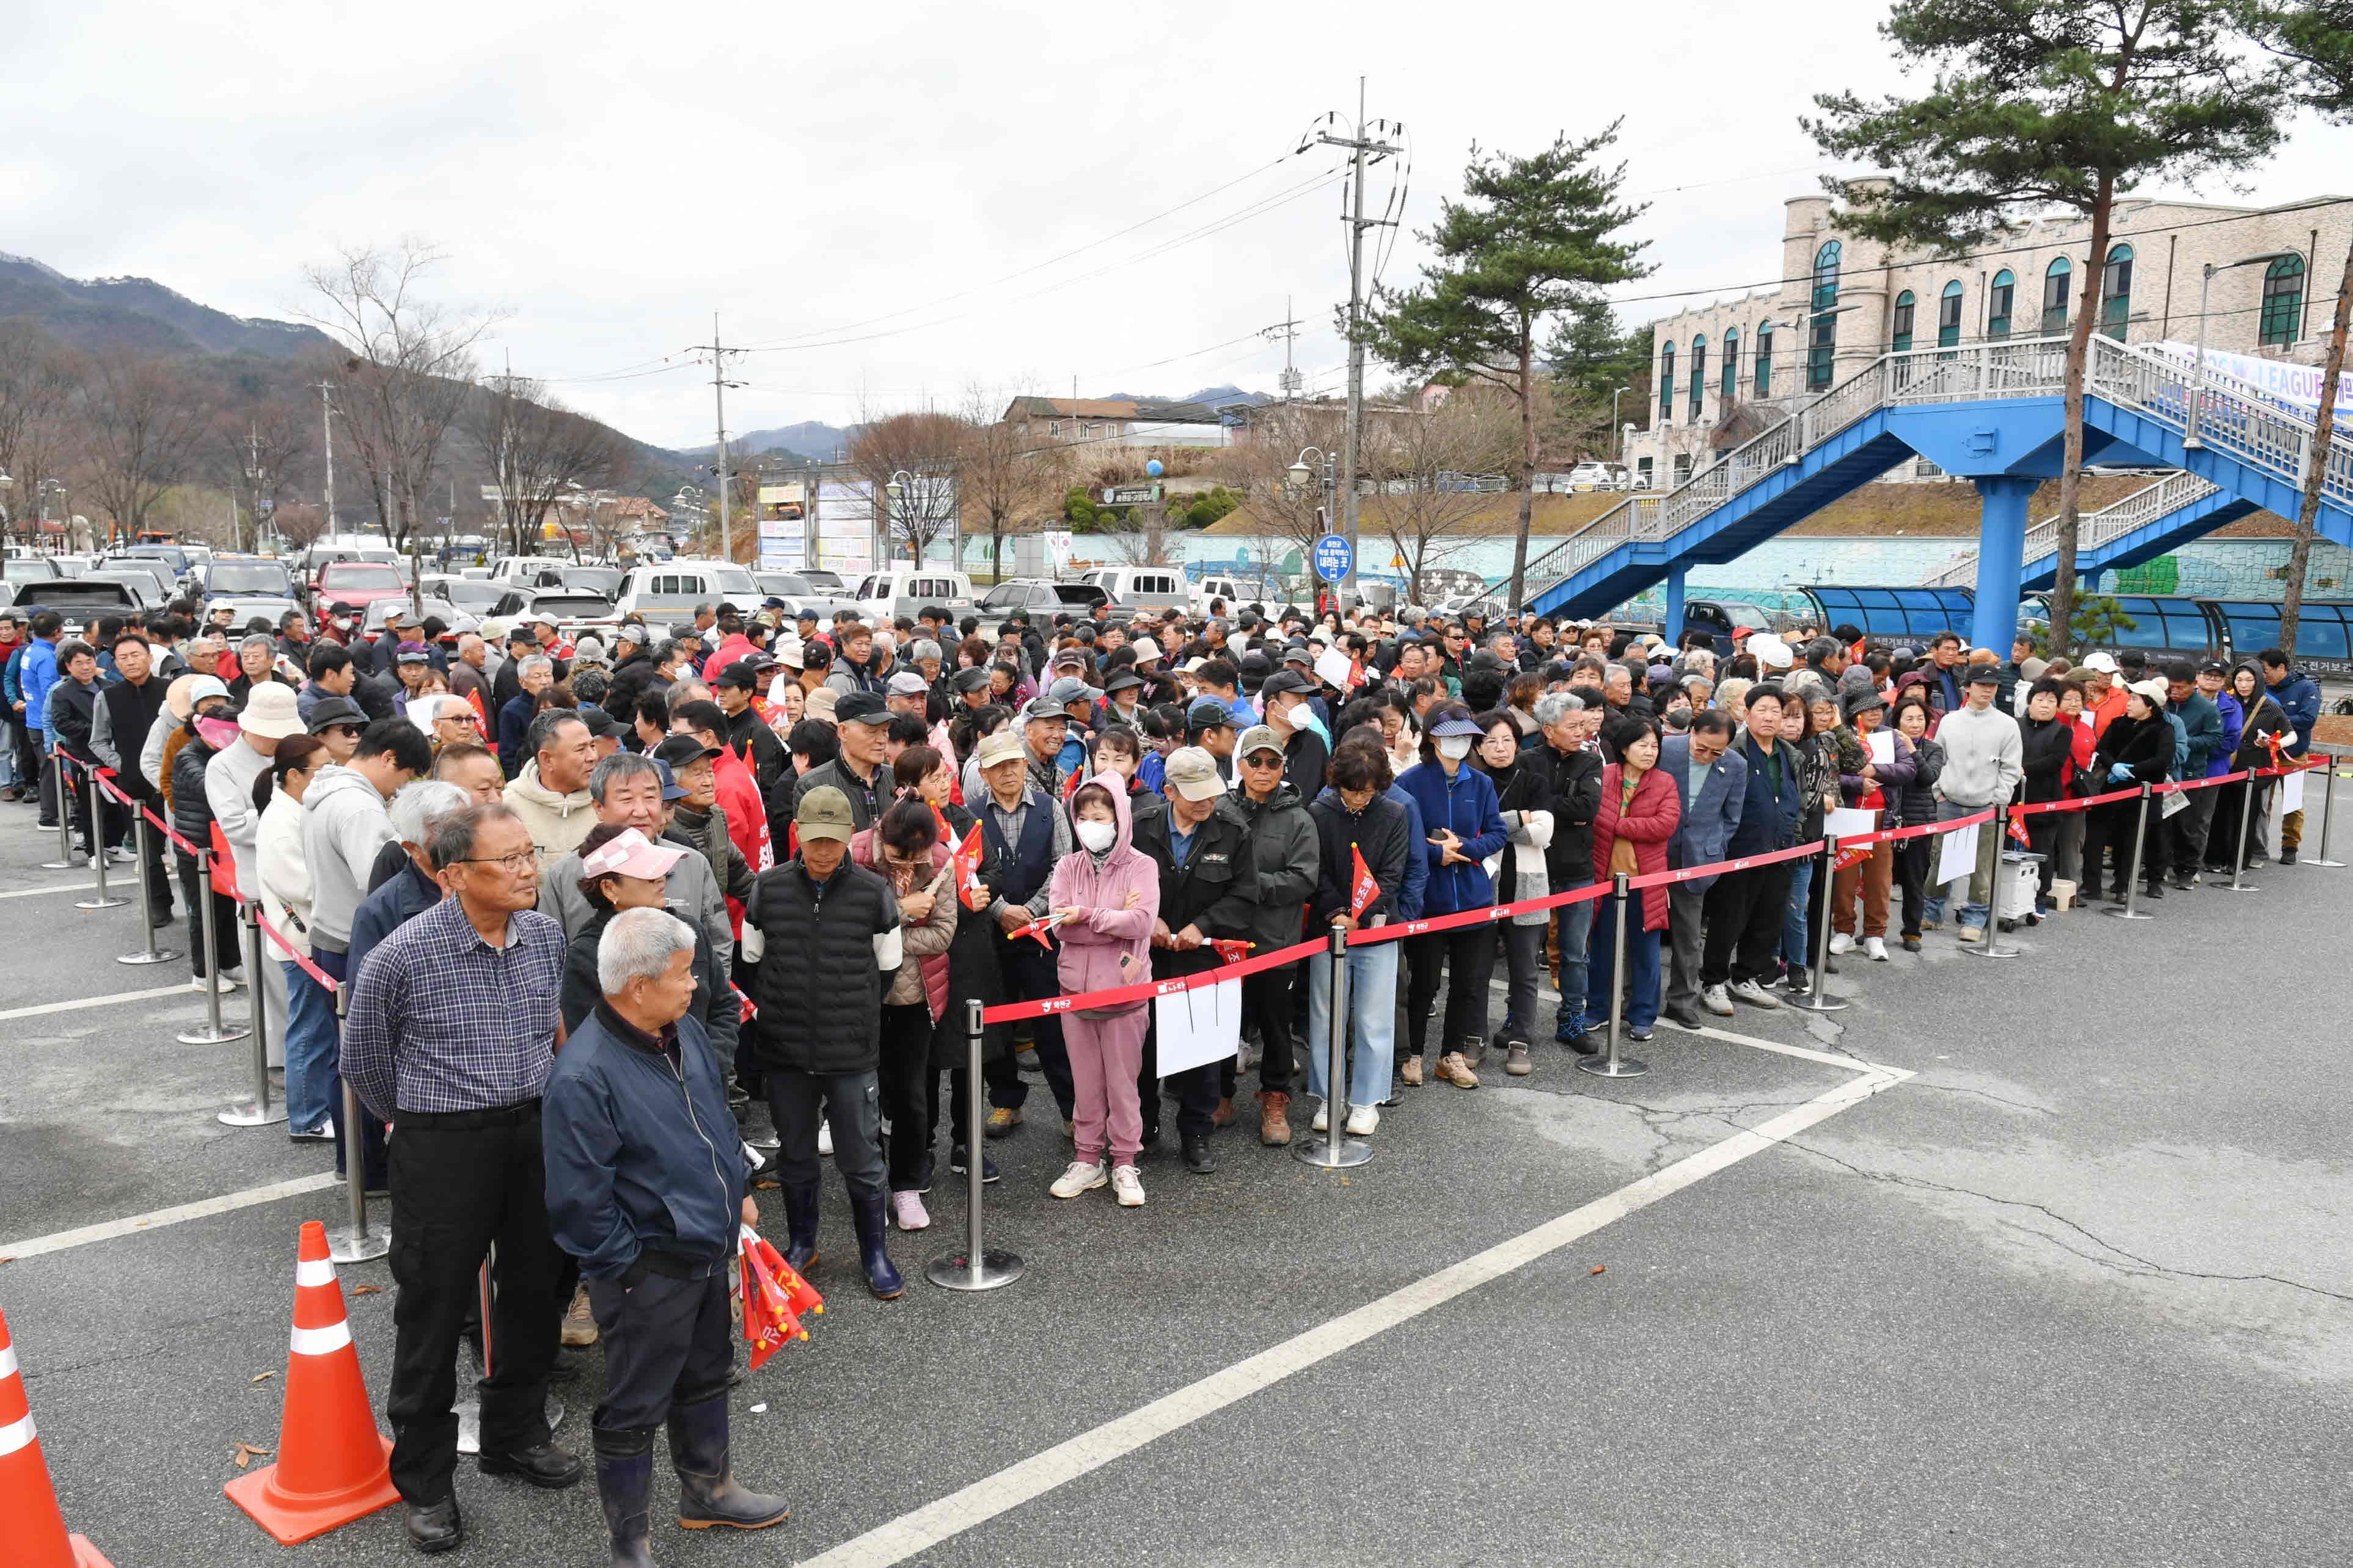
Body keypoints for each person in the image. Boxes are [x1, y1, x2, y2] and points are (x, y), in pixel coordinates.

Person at [340, 803, 580, 1553]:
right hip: (443, 1140)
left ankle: (515, 1431)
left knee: (539, 1287)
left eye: (527, 854)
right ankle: (426, 1477)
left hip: (534, 1127)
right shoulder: (402, 954)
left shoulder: (544, 935)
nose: (524, 870)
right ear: (451, 875)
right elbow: (367, 1065)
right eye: (503, 860)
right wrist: (426, 1120)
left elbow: (555, 1029)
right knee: (434, 1306)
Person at [541, 906, 788, 1566]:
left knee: (707, 1372)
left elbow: (714, 1118)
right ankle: (630, 1543)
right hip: (647, 1269)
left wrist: (735, 1189)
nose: (695, 987)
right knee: (633, 1403)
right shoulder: (584, 1074)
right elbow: (578, 1202)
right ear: (637, 986)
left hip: (705, 1249)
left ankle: (708, 1489)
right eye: (681, 975)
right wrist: (627, 1268)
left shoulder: (680, 1034)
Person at [742, 786, 905, 1299]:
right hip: (785, 1048)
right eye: (815, 841)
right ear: (799, 836)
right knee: (795, 1155)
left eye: (834, 842)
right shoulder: (766, 890)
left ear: (846, 839)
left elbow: (888, 969)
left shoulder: (873, 891)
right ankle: (801, 1243)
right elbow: (750, 964)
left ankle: (874, 1253)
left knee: (861, 1159)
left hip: (850, 1050)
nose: (824, 852)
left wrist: (850, 1013)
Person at [1043, 779, 1160, 1205]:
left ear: (1120, 818)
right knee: (1086, 1081)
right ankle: (1087, 1159)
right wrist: (1113, 919)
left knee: (1123, 1083)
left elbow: (1143, 923)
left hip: (1125, 991)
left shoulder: (1141, 865)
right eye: (1084, 817)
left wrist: (1089, 916)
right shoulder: (1067, 866)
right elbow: (1059, 927)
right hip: (1075, 989)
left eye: (1101, 817)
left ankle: (1126, 1162)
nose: (1091, 825)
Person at [1143, 746, 1261, 1172]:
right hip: (1148, 959)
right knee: (1143, 1049)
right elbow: (1117, 884)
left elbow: (1246, 896)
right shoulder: (1141, 828)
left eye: (1210, 792)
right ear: (1169, 790)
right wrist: (1147, 918)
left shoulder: (1232, 832)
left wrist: (1205, 925)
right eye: (1193, 793)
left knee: (1202, 1055)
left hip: (1204, 959)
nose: (1204, 802)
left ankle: (1195, 1134)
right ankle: (1143, 1129)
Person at [850, 798, 956, 1232]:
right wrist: (900, 914)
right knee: (863, 1093)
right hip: (861, 993)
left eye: (919, 856)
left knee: (913, 1095)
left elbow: (943, 933)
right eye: (899, 856)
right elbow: (845, 925)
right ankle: (869, 1179)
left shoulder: (942, 860)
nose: (910, 863)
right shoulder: (855, 853)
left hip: (916, 996)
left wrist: (889, 935)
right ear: (881, 838)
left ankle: (907, 1184)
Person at [969, 727, 1078, 1139]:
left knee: (1052, 1024)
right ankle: (1005, 1101)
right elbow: (968, 874)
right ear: (984, 772)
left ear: (1024, 764)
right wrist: (1000, 911)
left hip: (1041, 937)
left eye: (1014, 763)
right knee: (995, 1025)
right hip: (991, 935)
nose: (1008, 772)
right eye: (997, 766)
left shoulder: (1051, 808)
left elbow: (1063, 866)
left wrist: (1031, 911)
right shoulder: (972, 812)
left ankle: (1071, 1107)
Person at [1396, 704, 1507, 1087]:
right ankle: (1412, 1054)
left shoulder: (1481, 783)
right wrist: (1434, 854)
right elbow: (1401, 842)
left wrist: (1467, 848)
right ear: (1432, 738)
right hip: (1428, 898)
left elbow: (1497, 833)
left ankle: (1452, 1054)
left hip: (1474, 899)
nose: (1459, 743)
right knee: (1423, 983)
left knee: (1468, 983)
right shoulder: (1410, 783)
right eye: (1451, 735)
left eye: (1465, 736)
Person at [1305, 740, 1409, 1132]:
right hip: (1328, 929)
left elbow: (1393, 875)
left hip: (1377, 930)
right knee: (1326, 1015)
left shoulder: (1395, 813)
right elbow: (1315, 872)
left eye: (1368, 790)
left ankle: (1367, 1099)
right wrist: (1336, 912)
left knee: (1374, 1019)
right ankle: (1327, 1096)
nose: (1360, 798)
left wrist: (1361, 914)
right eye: (1352, 789)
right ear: (1338, 784)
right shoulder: (1319, 812)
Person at [1229, 724, 1318, 1138]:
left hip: (1275, 940)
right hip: (1225, 937)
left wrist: (1253, 885)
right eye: (1255, 761)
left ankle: (1275, 1095)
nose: (1264, 769)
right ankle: (1219, 1094)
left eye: (1273, 762)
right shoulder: (1220, 809)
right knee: (1220, 1021)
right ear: (1240, 764)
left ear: (1283, 766)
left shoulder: (1299, 817)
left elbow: (1303, 879)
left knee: (1276, 1025)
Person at [1700, 686, 1805, 1012]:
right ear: (1747, 714)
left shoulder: (1789, 755)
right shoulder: (1734, 751)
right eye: (1762, 709)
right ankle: (1713, 982)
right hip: (1739, 851)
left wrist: (1795, 837)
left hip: (1780, 850)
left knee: (1767, 919)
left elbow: (1797, 801)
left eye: (1777, 711)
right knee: (1729, 918)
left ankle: (1746, 976)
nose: (1770, 717)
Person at [255, 735, 336, 1140]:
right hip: (301, 940)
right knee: (310, 1029)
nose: (329, 777)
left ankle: (315, 1109)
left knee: (317, 1027)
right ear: (293, 775)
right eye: (321, 770)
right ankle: (307, 1116)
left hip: (308, 935)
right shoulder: (280, 822)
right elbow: (301, 885)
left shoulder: (298, 809)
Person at [1579, 715, 1679, 1042]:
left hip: (1645, 881)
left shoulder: (1664, 782)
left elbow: (1665, 825)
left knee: (1646, 952)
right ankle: (1597, 1010)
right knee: (1602, 949)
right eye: (1642, 745)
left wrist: (1621, 824)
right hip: (1605, 879)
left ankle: (1642, 1016)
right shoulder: (1605, 775)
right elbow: (1591, 816)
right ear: (1624, 748)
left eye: (1655, 746)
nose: (1650, 752)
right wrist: (1623, 822)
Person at [1471, 709, 1553, 1074]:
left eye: (1507, 740)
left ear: (1518, 744)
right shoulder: (1473, 781)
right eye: (1491, 741)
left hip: (1527, 886)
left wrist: (1493, 829)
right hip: (1482, 890)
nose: (1500, 748)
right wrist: (1522, 818)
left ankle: (1520, 1041)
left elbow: (1544, 833)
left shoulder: (1534, 778)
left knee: (1525, 972)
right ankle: (1472, 1038)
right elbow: (1468, 832)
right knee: (1475, 971)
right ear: (1478, 746)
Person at [1656, 710, 1746, 1028]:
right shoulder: (1664, 749)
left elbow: (1732, 818)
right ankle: (1634, 996)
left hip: (1699, 857)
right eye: (1702, 749)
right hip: (1656, 848)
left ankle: (1681, 1000)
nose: (1707, 756)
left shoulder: (1736, 765)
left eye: (1717, 752)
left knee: (1688, 935)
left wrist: (1716, 847)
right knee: (1641, 929)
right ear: (1691, 732)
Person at [1931, 665, 2024, 942]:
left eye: (1993, 685)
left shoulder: (2008, 725)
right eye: (1982, 684)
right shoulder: (1949, 721)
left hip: (1986, 805)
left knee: (1982, 866)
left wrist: (1999, 799)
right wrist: (1938, 791)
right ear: (1968, 687)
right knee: (1939, 860)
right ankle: (1932, 913)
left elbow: (2011, 768)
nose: (1988, 690)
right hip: (1949, 800)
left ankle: (1975, 918)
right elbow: (1938, 757)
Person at [1532, 694, 1605, 1047]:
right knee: (1527, 950)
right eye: (1573, 726)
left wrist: (1545, 808)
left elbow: (1589, 809)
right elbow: (1522, 807)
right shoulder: (1527, 760)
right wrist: (1564, 808)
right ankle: (1519, 1020)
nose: (1582, 732)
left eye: (1583, 725)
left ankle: (1573, 1019)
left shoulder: (1590, 762)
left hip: (1577, 869)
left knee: (1576, 952)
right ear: (1549, 730)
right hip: (1534, 868)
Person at [92, 628, 175, 925]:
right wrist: (125, 764)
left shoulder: (170, 690)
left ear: (150, 657)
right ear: (115, 663)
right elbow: (97, 742)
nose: (130, 662)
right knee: (148, 850)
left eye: (136, 655)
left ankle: (199, 902)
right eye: (122, 658)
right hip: (134, 786)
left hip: (175, 782)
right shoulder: (108, 696)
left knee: (188, 848)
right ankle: (160, 904)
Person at [2082, 685, 2175, 904]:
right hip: (2109, 790)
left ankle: (2123, 886)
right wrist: (2114, 766)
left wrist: (2132, 770)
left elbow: (2162, 760)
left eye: (2135, 699)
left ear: (2150, 705)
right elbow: (2102, 748)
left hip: (2140, 793)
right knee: (2095, 838)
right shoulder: (2119, 723)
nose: (2129, 703)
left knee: (2129, 841)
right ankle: (2091, 885)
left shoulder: (2164, 729)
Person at [2211, 662, 2288, 872]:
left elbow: (2292, 734)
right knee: (2221, 813)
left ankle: (2238, 862)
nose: (2243, 685)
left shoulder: (2269, 706)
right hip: (2227, 767)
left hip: (2252, 771)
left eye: (2249, 680)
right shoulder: (2228, 702)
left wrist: (2275, 743)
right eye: (2239, 680)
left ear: (2258, 681)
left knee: (2244, 816)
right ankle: (2215, 858)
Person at [504, 709, 599, 869]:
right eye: (581, 749)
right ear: (547, 759)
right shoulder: (507, 809)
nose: (592, 757)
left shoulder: (607, 803)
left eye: (593, 746)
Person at [2162, 660, 2226, 888]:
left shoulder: (2207, 708)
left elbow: (2215, 739)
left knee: (2188, 826)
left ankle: (2187, 870)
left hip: (2190, 773)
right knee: (2160, 824)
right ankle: (2156, 867)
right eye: (2172, 687)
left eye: (2181, 687)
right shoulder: (2162, 703)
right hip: (2162, 772)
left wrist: (2182, 743)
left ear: (2193, 684)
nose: (2175, 692)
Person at [2015, 679, 2076, 914]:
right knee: (2009, 847)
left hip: (2045, 800)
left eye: (2052, 701)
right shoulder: (2015, 725)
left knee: (2042, 851)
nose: (2045, 705)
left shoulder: (2062, 731)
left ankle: (2040, 897)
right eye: (2040, 699)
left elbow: (2055, 762)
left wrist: (2022, 769)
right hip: (2013, 799)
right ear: (2030, 702)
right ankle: (2008, 895)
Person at [2260, 648, 2321, 862]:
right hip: (2265, 754)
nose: (2264, 676)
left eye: (2266, 671)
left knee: (2292, 803)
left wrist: (2279, 720)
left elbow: (2308, 719)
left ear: (2281, 668)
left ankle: (2290, 846)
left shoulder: (2306, 687)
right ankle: (2258, 846)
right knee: (2261, 802)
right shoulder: (2263, 688)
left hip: (2294, 755)